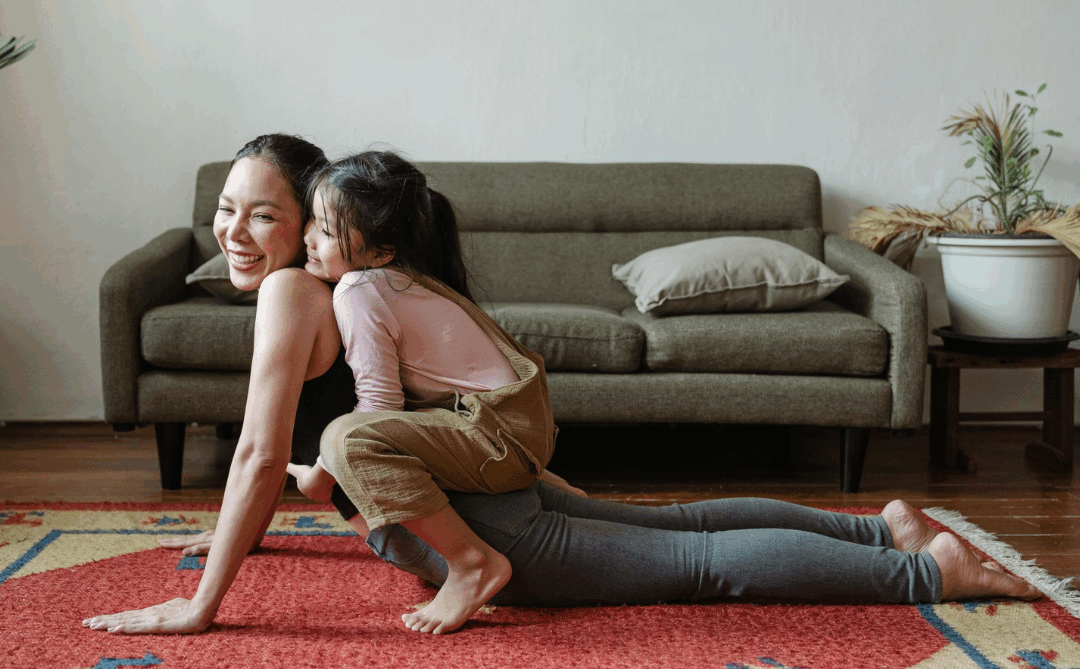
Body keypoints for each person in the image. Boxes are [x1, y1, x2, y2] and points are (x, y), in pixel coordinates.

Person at [82, 137, 1039, 638]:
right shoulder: (360, 286)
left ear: (314, 223)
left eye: (265, 215)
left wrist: (202, 603)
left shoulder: (302, 291)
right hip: (487, 482)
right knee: (685, 529)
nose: (235, 232)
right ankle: (881, 530)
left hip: (484, 525)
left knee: (700, 565)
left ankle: (927, 573)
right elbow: (323, 445)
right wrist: (243, 524)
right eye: (225, 210)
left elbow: (266, 450)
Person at [291, 151, 573, 634]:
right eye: (311, 222)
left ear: (381, 251)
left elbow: (378, 408)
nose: (308, 238)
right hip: (516, 430)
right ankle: (549, 484)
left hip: (500, 439)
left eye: (327, 230)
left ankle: (471, 563)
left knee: (345, 439)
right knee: (361, 434)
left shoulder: (358, 288)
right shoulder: (402, 280)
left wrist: (321, 476)